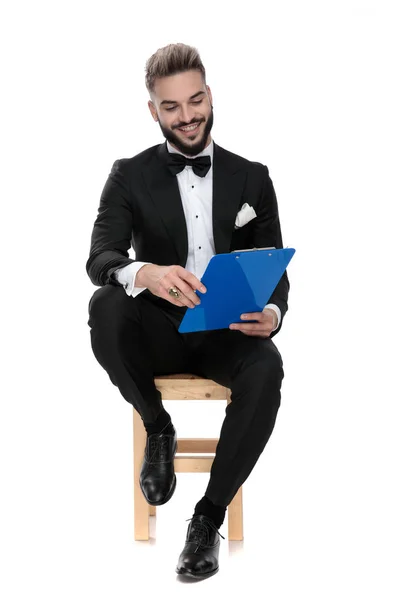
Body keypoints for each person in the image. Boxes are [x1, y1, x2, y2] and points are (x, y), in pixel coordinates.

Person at [86, 42, 290, 579]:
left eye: (195, 100)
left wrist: (270, 312)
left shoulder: (253, 177)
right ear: (153, 110)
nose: (188, 116)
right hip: (159, 328)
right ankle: (158, 427)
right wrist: (144, 273)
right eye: (171, 107)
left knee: (268, 365)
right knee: (105, 304)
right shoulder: (128, 174)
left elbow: (275, 269)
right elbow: (101, 256)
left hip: (225, 331)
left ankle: (207, 518)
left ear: (209, 95)